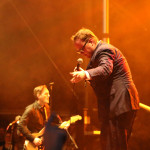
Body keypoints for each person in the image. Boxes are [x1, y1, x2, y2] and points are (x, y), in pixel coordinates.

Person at [70, 28, 140, 150]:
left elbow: (105, 69)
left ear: (91, 41)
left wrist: (86, 74)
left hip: (119, 103)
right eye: (78, 52)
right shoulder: (98, 54)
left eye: (82, 49)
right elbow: (103, 77)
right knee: (109, 144)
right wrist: (86, 75)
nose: (81, 53)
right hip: (115, 105)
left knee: (115, 144)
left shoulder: (104, 50)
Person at [18, 85, 51, 149]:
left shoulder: (47, 108)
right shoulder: (30, 109)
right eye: (46, 94)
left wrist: (62, 125)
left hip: (41, 144)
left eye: (49, 94)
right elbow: (21, 125)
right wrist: (33, 139)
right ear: (38, 95)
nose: (49, 96)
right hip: (31, 144)